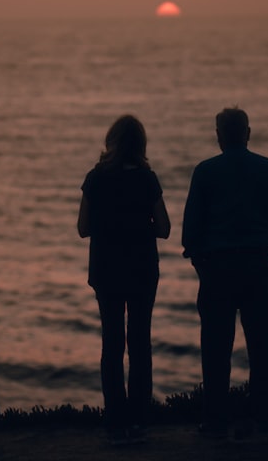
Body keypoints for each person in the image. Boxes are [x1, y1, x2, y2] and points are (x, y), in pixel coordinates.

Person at [182, 107, 268, 437]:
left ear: (218, 135)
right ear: (248, 133)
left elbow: (190, 235)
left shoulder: (204, 172)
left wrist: (202, 266)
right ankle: (267, 418)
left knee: (216, 348)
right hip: (258, 267)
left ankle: (216, 420)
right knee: (263, 347)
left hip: (217, 268)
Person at [78, 115, 171, 446]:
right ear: (141, 144)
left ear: (110, 140)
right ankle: (139, 422)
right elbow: (164, 228)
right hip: (142, 269)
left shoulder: (95, 179)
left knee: (112, 343)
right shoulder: (147, 179)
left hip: (106, 269)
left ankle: (115, 420)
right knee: (140, 343)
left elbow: (83, 228)